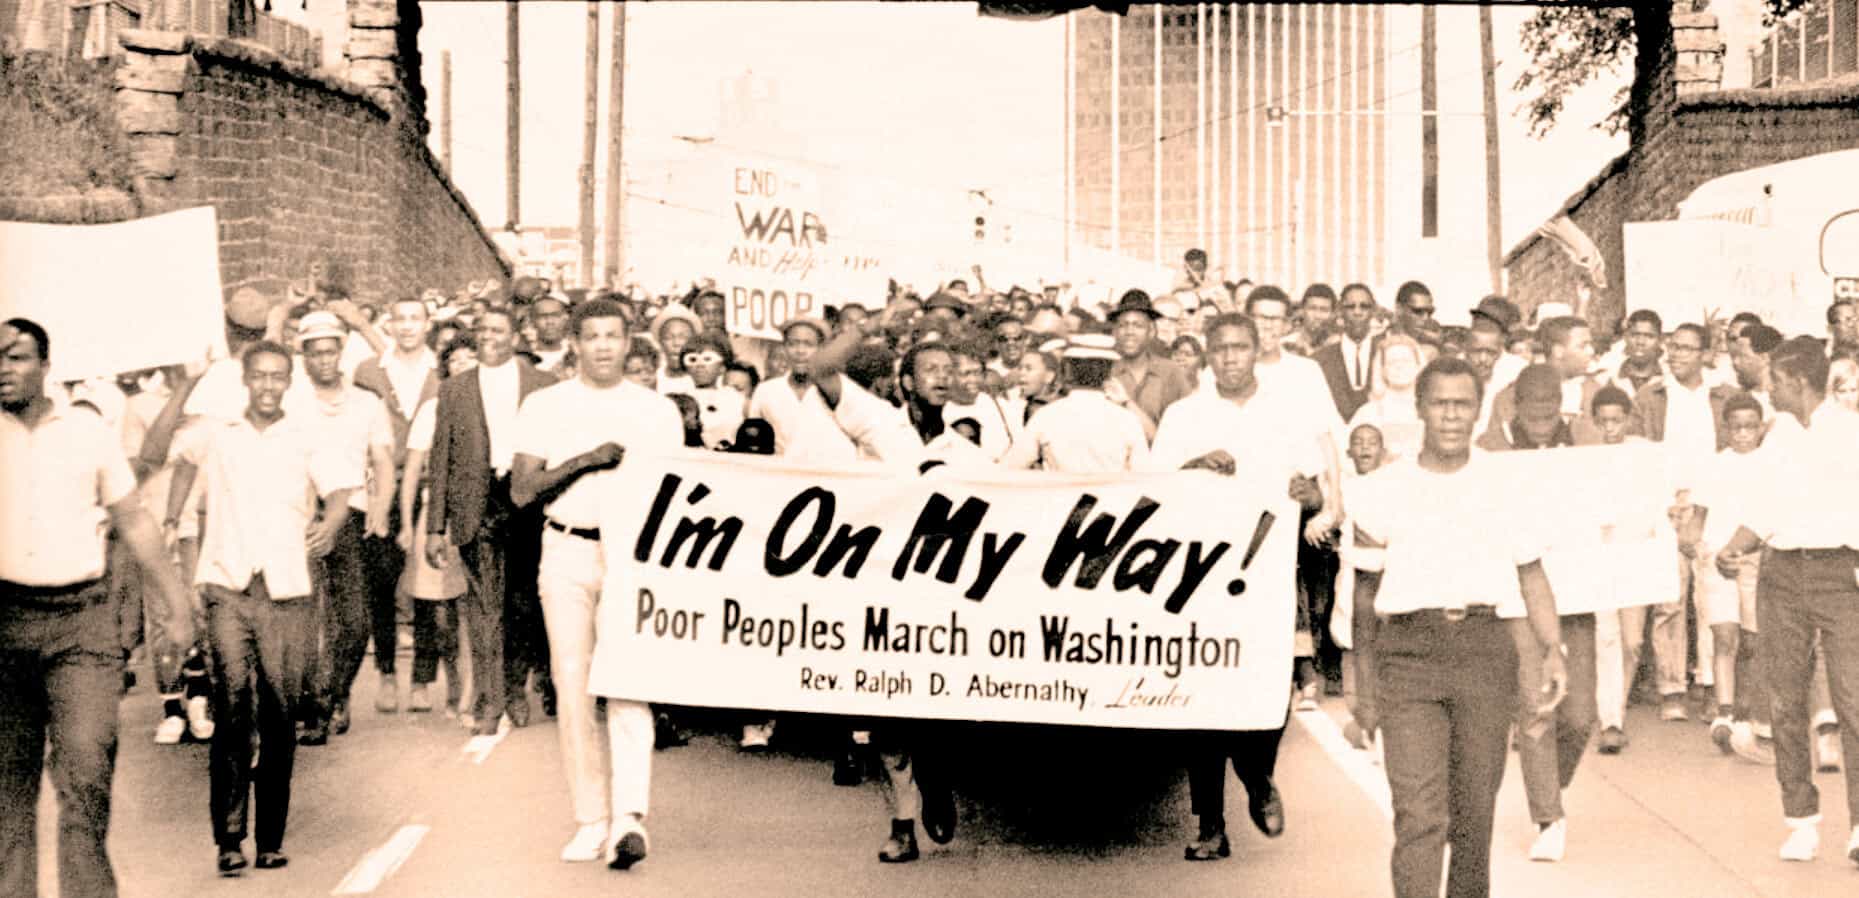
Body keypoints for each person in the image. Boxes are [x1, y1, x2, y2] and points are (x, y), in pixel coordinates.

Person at [1350, 354, 1569, 898]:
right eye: (1441, 403)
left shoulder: (1504, 481)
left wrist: (1553, 649)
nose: (1451, 416)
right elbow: (1363, 596)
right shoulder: (1383, 487)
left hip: (1483, 652)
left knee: (1474, 816)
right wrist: (1363, 681)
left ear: (1477, 412)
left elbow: (1532, 574)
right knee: (1420, 814)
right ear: (1421, 408)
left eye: (1463, 404)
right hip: (1409, 655)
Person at [1, 318, 196, 897]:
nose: (3, 369)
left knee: (85, 770)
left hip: (81, 624)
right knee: (6, 787)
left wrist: (176, 605)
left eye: (16, 357)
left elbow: (133, 518)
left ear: (46, 365)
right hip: (3, 624)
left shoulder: (86, 434)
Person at [509, 298, 684, 870]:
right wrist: (587, 460)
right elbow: (521, 490)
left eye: (614, 335)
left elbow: (677, 494)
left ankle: (630, 818)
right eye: (593, 337)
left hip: (633, 557)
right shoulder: (545, 404)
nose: (604, 346)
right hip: (565, 547)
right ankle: (590, 818)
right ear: (575, 345)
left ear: (629, 341)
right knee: (574, 685)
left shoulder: (657, 410)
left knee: (630, 682)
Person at [1150, 312, 1328, 862]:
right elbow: (1154, 490)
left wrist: (1309, 494)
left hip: (1269, 572)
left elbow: (1317, 493)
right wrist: (1195, 465)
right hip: (1200, 574)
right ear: (1207, 353)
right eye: (1220, 348)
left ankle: (1258, 777)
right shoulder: (1184, 415)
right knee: (1202, 697)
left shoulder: (1286, 413)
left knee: (1268, 689)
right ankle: (1210, 824)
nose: (1230, 357)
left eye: (1240, 347)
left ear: (1257, 350)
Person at [1709, 336, 1859, 865]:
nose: (1766, 387)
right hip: (1782, 576)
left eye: (1773, 378)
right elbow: (1765, 506)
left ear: (1796, 380)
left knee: (1853, 701)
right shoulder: (1779, 439)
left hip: (1843, 575)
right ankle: (1801, 821)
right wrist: (1732, 549)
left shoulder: (1851, 430)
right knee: (1786, 701)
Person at [1481, 364, 1601, 863]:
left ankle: (1553, 783)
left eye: (1551, 408)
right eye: (1533, 407)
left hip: (1576, 591)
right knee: (1536, 708)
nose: (1542, 417)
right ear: (1515, 404)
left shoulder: (1584, 446)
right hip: (1519, 596)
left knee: (1579, 715)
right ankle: (1548, 818)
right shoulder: (1490, 452)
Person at [425, 306, 558, 736]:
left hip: (526, 501)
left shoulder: (543, 385)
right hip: (476, 505)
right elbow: (440, 457)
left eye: (497, 330)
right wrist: (434, 527)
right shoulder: (455, 389)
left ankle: (515, 686)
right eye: (481, 330)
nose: (487, 337)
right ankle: (489, 700)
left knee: (522, 605)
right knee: (484, 610)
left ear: (516, 335)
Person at [282, 312, 395, 744]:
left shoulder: (367, 402)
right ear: (304, 356)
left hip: (352, 516)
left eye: (331, 351)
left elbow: (382, 460)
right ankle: (313, 708)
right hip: (300, 516)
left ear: (341, 352)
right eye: (315, 353)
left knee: (354, 620)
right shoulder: (290, 400)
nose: (324, 360)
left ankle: (335, 692)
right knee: (305, 620)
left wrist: (382, 508)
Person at [349, 296, 440, 715]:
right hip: (380, 486)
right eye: (399, 319)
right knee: (380, 585)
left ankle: (422, 679)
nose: (407, 327)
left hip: (427, 488)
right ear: (389, 325)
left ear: (427, 324)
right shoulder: (369, 372)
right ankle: (386, 673)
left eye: (414, 319)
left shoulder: (441, 372)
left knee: (427, 586)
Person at [1683, 392, 1772, 763]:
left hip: (1756, 558)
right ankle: (1724, 710)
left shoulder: (1771, 465)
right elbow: (1698, 516)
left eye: (1751, 427)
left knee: (1752, 640)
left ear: (1760, 428)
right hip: (1717, 555)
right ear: (1726, 429)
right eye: (1736, 427)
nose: (1743, 435)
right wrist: (1689, 537)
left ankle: (1746, 714)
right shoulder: (1714, 465)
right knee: (1724, 634)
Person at [396, 336, 477, 717]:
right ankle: (437, 681)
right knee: (435, 609)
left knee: (471, 607)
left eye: (470, 359)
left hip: (477, 516)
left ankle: (470, 687)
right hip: (435, 516)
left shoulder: (490, 403)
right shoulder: (433, 408)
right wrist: (409, 524)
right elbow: (412, 470)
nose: (463, 365)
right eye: (455, 361)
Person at [998, 334, 1149, 473]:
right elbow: (1144, 479)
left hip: (1057, 500)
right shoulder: (1127, 421)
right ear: (1109, 372)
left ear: (1068, 369)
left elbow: (1008, 470)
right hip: (1111, 502)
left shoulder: (1046, 416)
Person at [1107, 289, 1195, 427]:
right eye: (1123, 325)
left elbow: (1188, 425)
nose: (1130, 332)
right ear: (1115, 332)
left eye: (1138, 326)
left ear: (1152, 331)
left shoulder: (1171, 372)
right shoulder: (1103, 370)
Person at [1345, 332, 1427, 462]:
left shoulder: (1431, 410)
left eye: (1406, 361)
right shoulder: (1368, 413)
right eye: (1392, 362)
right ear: (1382, 369)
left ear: (1418, 366)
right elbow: (1346, 458)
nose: (1399, 367)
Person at [1314, 283, 1379, 423]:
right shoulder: (1319, 360)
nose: (1357, 312)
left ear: (1373, 311)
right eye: (1350, 307)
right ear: (1339, 311)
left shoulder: (1386, 354)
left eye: (1364, 306)